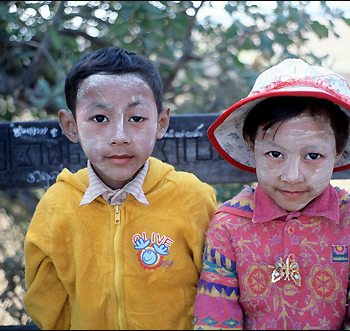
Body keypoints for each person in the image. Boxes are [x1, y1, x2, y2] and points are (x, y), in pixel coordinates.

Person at [193, 58, 350, 330]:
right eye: (275, 154)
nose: (292, 176)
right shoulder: (229, 227)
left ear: (338, 152)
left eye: (313, 156)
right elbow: (215, 322)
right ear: (251, 145)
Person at [23, 46, 217, 330]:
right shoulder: (57, 205)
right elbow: (46, 303)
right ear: (70, 126)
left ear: (161, 123)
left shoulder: (192, 198)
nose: (119, 137)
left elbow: (218, 292)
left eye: (136, 118)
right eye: (100, 118)